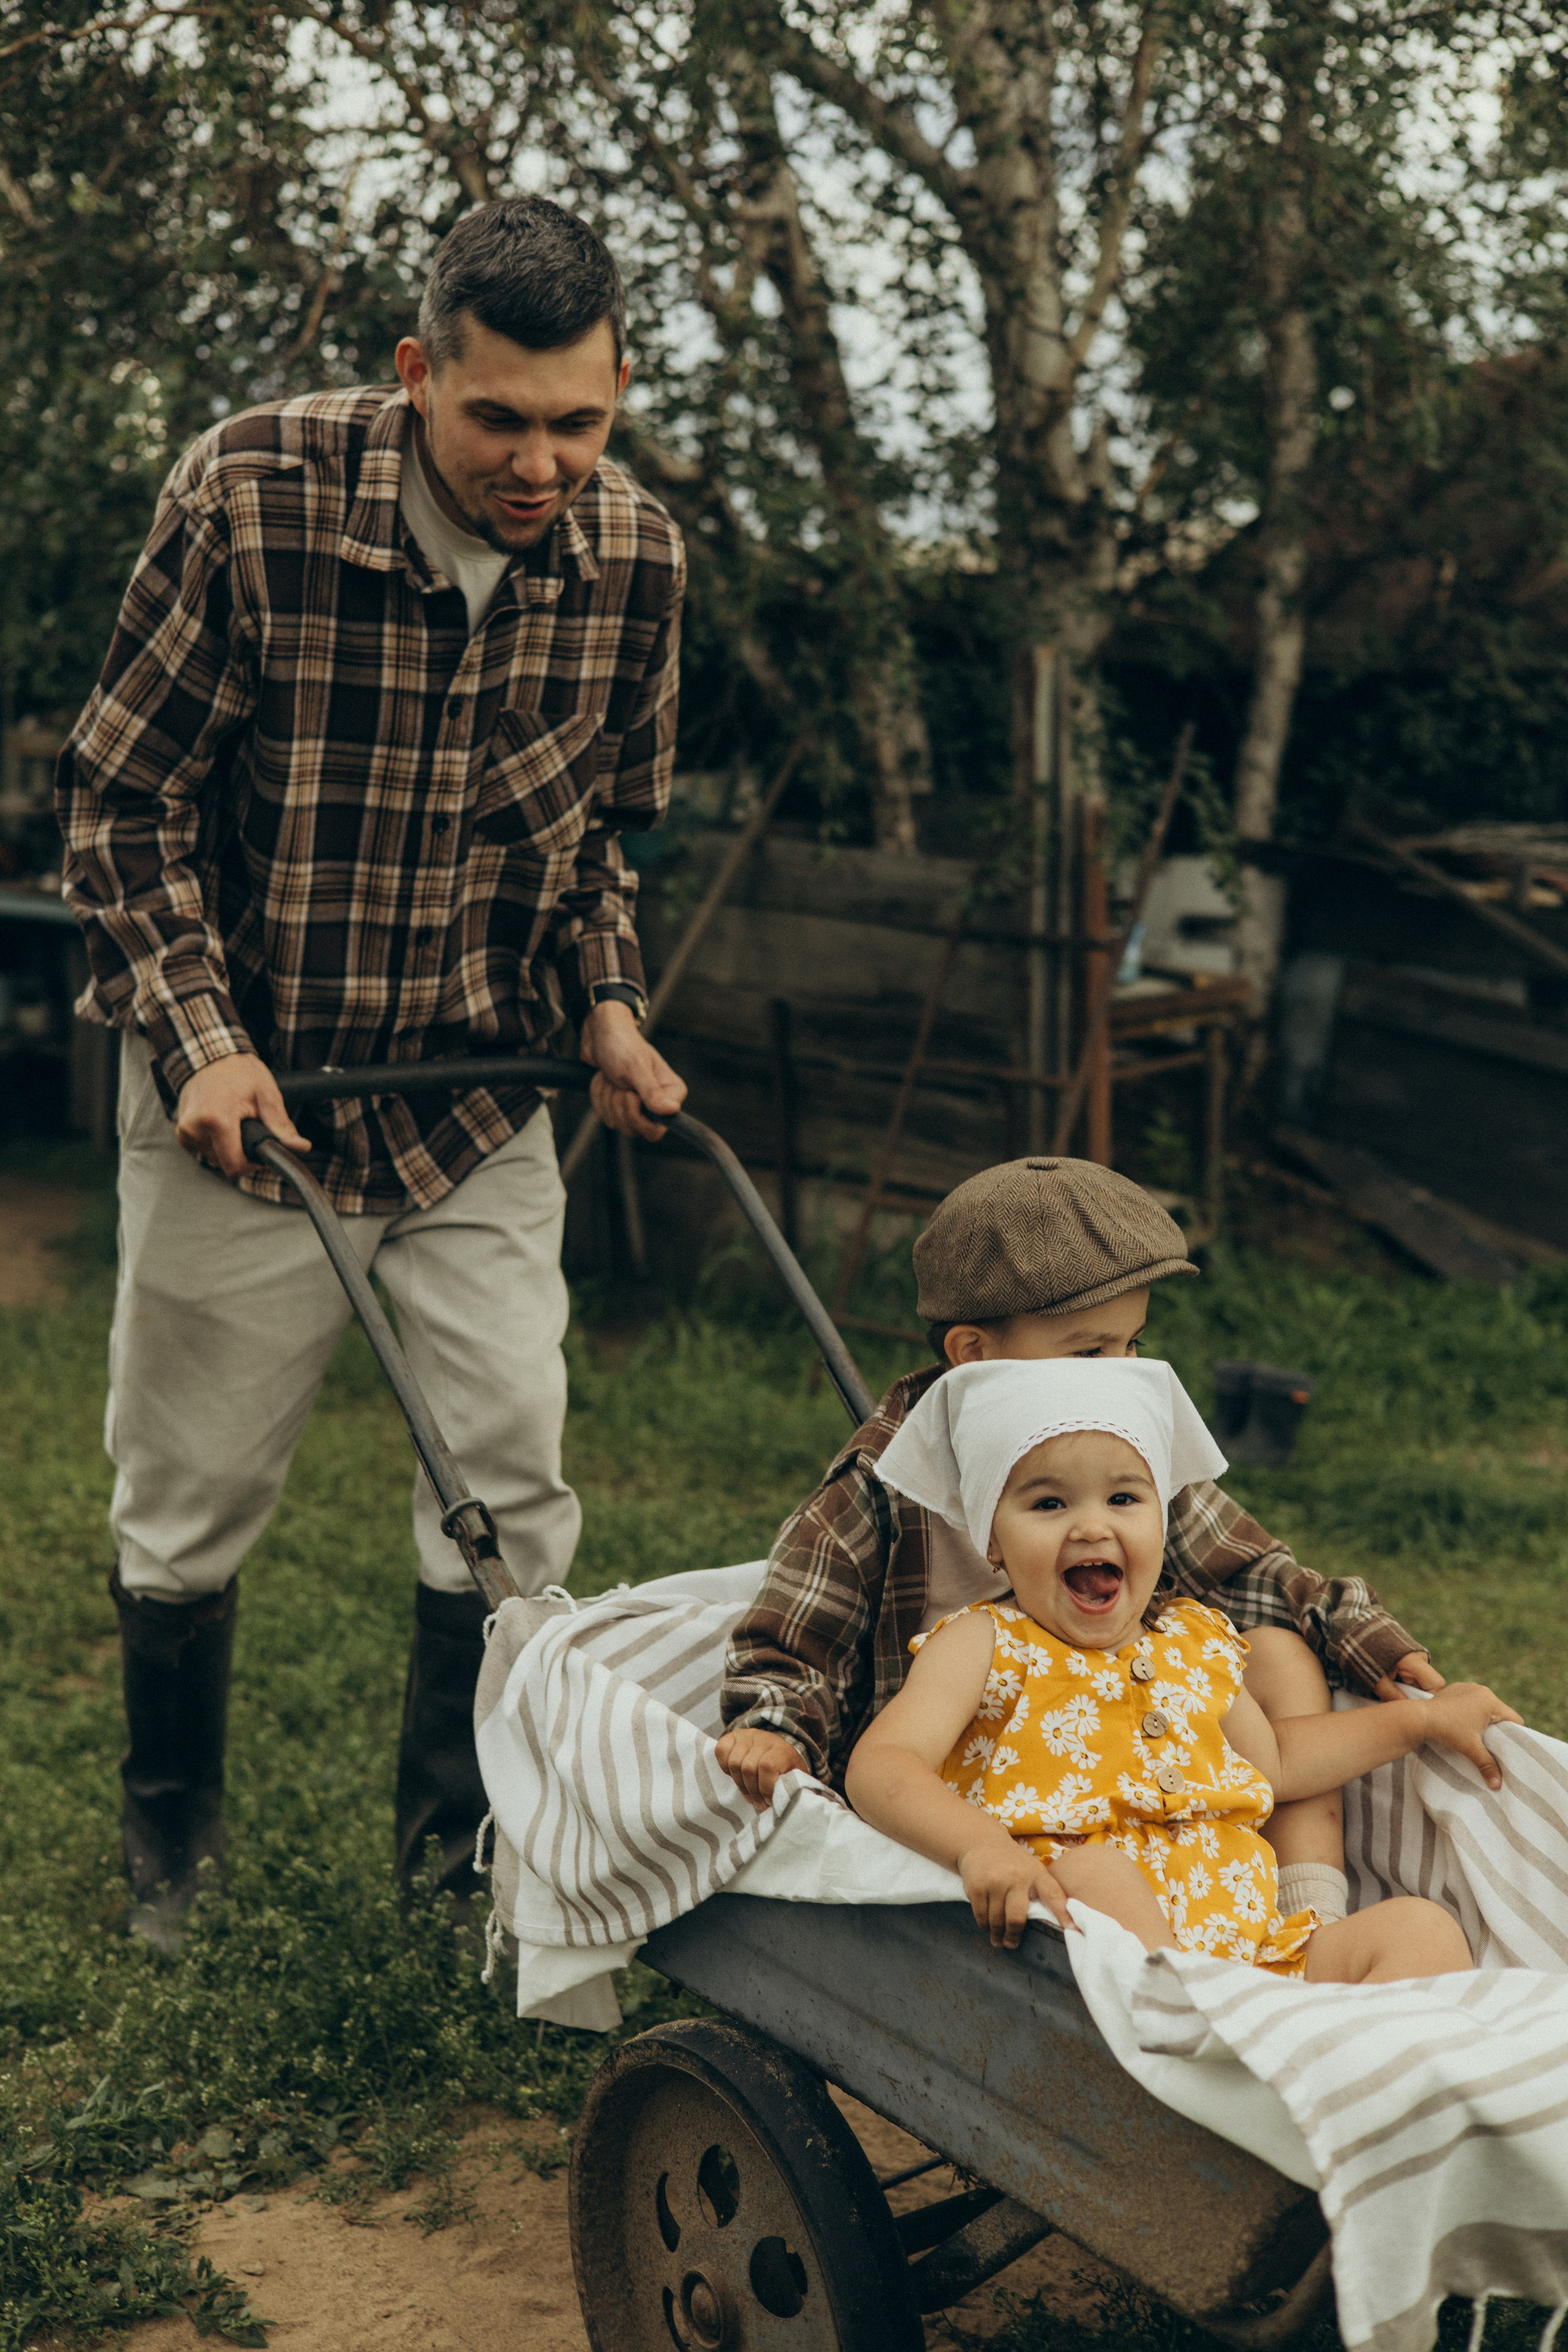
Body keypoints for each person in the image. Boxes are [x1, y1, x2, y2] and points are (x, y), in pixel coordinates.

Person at [56, 195, 686, 1948]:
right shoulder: (250, 494)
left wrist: (610, 1003)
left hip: (473, 1099)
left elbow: (598, 844)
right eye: (499, 419)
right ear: (417, 373)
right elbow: (124, 803)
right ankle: (172, 1843)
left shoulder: (636, 557)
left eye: (579, 421)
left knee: (510, 1472)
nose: (541, 463)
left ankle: (455, 1858)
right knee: (189, 1486)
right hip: (247, 1101)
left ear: (618, 392)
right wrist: (202, 1044)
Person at [717, 1156, 1444, 1939]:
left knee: (1278, 1649)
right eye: (1091, 1353)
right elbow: (798, 1632)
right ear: (973, 1353)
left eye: (1133, 1346)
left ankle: (1309, 1907)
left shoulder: (1114, 1446)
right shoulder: (881, 1483)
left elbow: (1246, 1567)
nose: (1120, 1375)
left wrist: (1356, 1631)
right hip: (967, 1758)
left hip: (1108, 1702)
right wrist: (777, 1726)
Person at [843, 1357, 1515, 1977]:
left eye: (1123, 1500)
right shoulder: (986, 1642)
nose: (1091, 1527)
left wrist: (1419, 1722)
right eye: (1049, 1504)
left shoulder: (1194, 1644)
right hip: (1108, 1951)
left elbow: (1277, 1761)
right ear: (992, 1540)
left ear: (1163, 1525)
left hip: (1257, 1957)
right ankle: (1193, 2027)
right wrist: (980, 1848)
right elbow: (882, 1763)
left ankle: (1334, 2056)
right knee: (1097, 1872)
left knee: (1421, 1928)